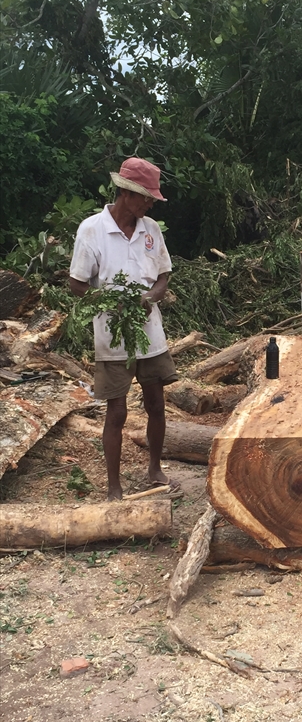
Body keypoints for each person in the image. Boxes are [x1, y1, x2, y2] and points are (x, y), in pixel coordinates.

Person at [69, 157, 179, 501]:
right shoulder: (92, 229)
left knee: (156, 403)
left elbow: (163, 273)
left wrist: (154, 295)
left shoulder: (151, 229)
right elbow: (76, 284)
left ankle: (155, 470)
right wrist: (111, 304)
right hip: (113, 336)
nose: (149, 204)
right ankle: (114, 487)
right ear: (127, 194)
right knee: (117, 411)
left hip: (150, 331)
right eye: (146, 198)